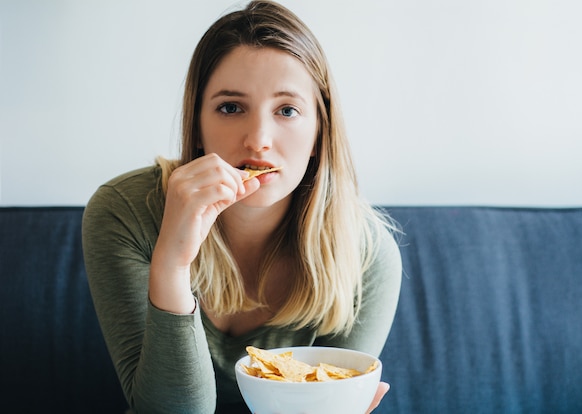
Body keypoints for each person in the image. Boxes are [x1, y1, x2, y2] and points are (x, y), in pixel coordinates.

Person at [82, 1, 402, 413]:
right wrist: (172, 266)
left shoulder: (367, 254)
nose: (258, 140)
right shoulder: (125, 213)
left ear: (320, 132)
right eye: (231, 108)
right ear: (196, 125)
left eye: (287, 110)